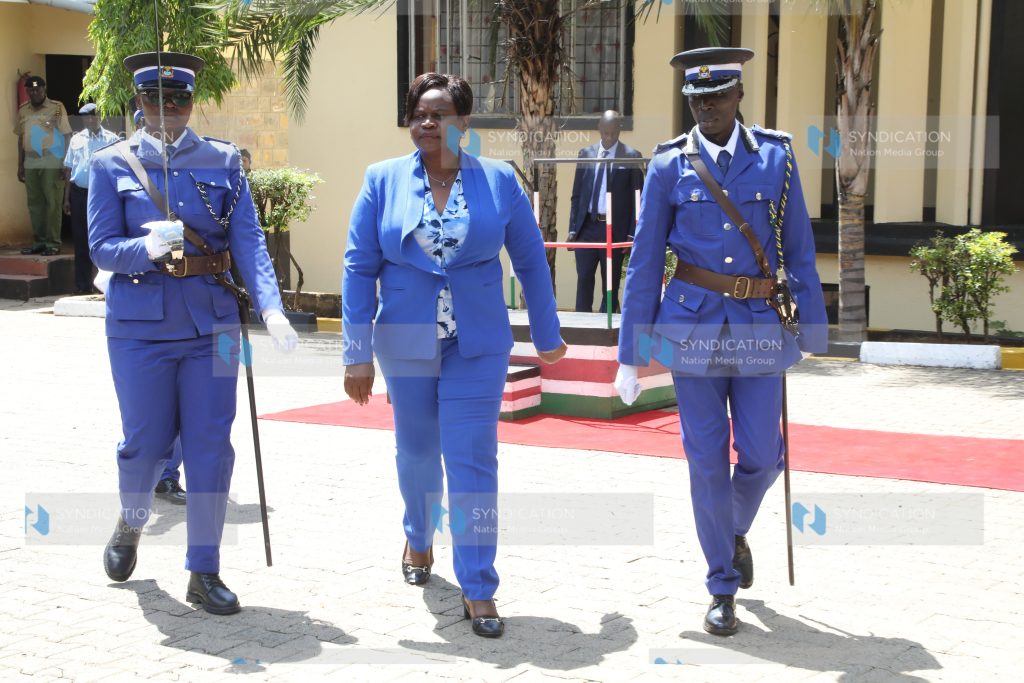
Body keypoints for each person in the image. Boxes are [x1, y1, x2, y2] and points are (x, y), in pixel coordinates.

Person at [343, 72, 566, 638]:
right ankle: (418, 537)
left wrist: (547, 332)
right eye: (419, 113)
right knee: (418, 453)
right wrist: (356, 352)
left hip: (478, 342)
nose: (427, 122)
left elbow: (530, 259)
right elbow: (359, 267)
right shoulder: (381, 179)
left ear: (463, 122)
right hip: (406, 340)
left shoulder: (499, 180)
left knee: (472, 459)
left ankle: (479, 586)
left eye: (439, 113)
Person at [614, 47, 828, 636]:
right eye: (696, 99)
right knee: (706, 461)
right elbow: (644, 261)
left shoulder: (776, 157)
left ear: (738, 96)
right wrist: (631, 354)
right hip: (691, 328)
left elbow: (799, 246)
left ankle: (732, 528)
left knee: (763, 454)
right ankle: (720, 585)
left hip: (758, 323)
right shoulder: (668, 166)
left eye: (717, 96)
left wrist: (812, 327)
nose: (706, 107)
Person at [88, 51, 298, 615]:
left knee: (211, 445)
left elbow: (248, 240)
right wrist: (145, 248)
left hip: (217, 326)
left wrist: (272, 309)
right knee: (145, 443)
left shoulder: (222, 160)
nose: (168, 109)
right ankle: (131, 520)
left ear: (191, 102)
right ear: (139, 102)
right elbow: (101, 248)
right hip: (139, 329)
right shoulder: (112, 165)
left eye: (179, 99)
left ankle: (203, 569)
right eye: (155, 99)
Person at [567, 110, 644, 313]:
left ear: (620, 130)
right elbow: (577, 195)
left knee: (610, 282)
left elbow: (638, 199)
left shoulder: (631, 156)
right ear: (599, 129)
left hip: (615, 229)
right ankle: (581, 324)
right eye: (605, 133)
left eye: (613, 133)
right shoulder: (586, 154)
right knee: (584, 278)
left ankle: (606, 324)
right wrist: (573, 229)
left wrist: (631, 234)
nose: (609, 138)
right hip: (586, 227)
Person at [63, 103, 120, 293]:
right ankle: (82, 286)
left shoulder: (111, 139)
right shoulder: (76, 139)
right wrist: (66, 199)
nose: (90, 120)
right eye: (86, 117)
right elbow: (69, 169)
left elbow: (117, 169)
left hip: (102, 196)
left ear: (100, 117)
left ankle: (103, 285)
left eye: (94, 116)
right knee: (80, 240)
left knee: (102, 238)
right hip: (79, 194)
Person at [15, 75, 72, 256]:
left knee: (53, 202)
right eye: (31, 90)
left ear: (44, 89)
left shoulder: (56, 108)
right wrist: (20, 165)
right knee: (34, 203)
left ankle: (53, 243)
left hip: (51, 160)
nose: (35, 93)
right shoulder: (23, 110)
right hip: (30, 161)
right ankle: (39, 242)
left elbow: (66, 135)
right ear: (27, 91)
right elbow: (21, 139)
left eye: (38, 89)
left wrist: (65, 162)